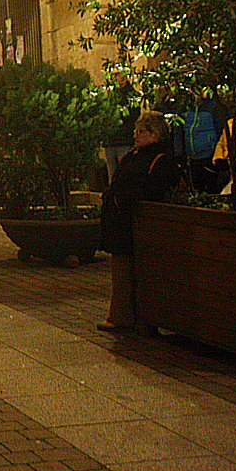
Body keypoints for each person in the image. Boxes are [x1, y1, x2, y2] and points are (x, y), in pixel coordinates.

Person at [98, 111, 180, 331]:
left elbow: (151, 191)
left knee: (137, 273)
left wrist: (122, 200)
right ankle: (124, 315)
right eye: (136, 131)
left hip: (138, 224)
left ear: (156, 135)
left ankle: (135, 318)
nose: (136, 135)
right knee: (123, 272)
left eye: (142, 132)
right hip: (123, 223)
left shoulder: (160, 160)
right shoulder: (135, 155)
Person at [102, 74, 139, 184]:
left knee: (124, 175)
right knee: (112, 176)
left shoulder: (131, 96)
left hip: (124, 141)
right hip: (111, 142)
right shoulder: (111, 95)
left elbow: (133, 117)